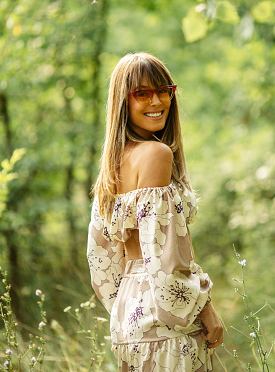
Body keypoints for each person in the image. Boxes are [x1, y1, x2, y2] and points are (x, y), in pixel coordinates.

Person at [87, 52, 223, 371]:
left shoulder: (112, 165)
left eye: (164, 91)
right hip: (164, 319)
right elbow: (163, 255)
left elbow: (100, 257)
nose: (157, 101)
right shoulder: (156, 154)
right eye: (143, 93)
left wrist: (124, 303)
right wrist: (202, 307)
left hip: (128, 317)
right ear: (124, 100)